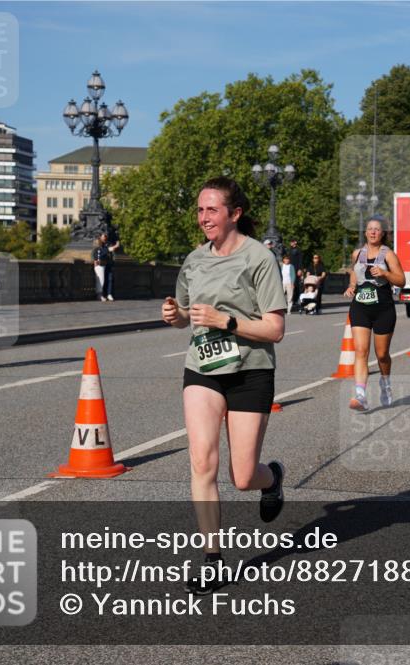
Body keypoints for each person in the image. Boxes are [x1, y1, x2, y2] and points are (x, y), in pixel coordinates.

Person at [161, 177, 286, 595]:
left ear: (234, 214)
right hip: (203, 368)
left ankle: (273, 480)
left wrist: (227, 321)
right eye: (199, 210)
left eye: (211, 210)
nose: (203, 218)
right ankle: (212, 559)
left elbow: (275, 328)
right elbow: (183, 313)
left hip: (250, 370)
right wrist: (173, 316)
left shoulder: (259, 258)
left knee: (242, 475)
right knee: (202, 464)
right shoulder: (194, 260)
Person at [343, 215, 406, 411]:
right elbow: (354, 271)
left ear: (383, 233)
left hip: (383, 308)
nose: (373, 232)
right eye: (370, 228)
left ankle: (385, 383)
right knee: (361, 351)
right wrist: (352, 286)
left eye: (377, 229)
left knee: (382, 355)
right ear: (365, 232)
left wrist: (386, 274)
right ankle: (360, 395)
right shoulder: (357, 254)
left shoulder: (389, 255)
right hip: (360, 306)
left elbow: (402, 281)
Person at [94, 231, 119, 302]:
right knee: (100, 280)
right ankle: (100, 295)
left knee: (106, 279)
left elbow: (109, 250)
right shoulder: (98, 246)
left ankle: (106, 294)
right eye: (103, 236)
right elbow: (100, 253)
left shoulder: (106, 244)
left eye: (105, 236)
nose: (105, 238)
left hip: (106, 264)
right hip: (100, 264)